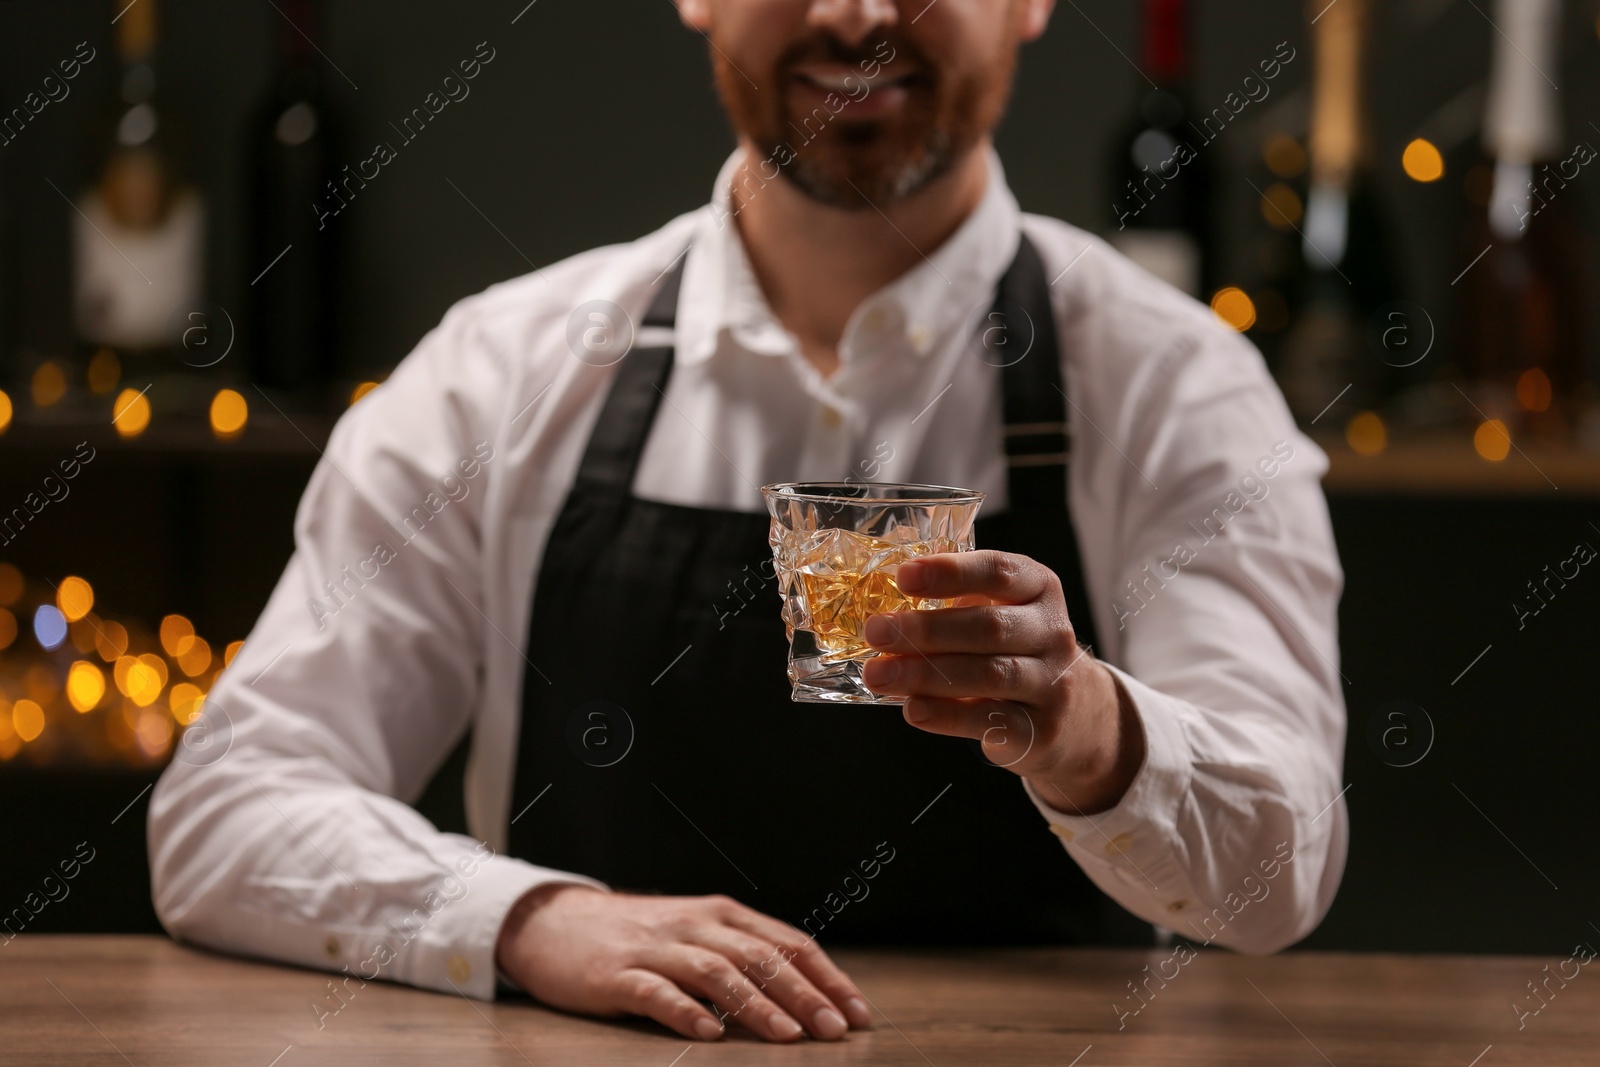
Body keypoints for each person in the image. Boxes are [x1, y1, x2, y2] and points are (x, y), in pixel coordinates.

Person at [150, 0, 1347, 1046]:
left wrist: (1089, 724)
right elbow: (228, 807)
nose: (852, 10)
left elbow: (1280, 876)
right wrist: (524, 919)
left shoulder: (1172, 384)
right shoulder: (501, 372)